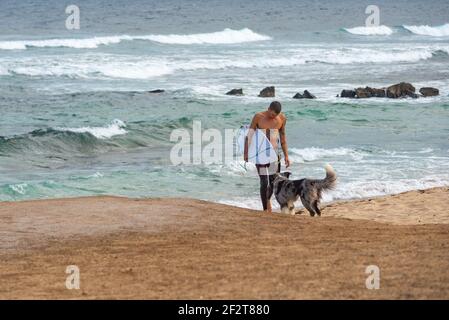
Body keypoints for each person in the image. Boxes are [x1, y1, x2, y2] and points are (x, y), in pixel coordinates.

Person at [244, 101, 290, 212]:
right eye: (272, 114)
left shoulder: (282, 119)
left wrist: (286, 156)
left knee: (274, 181)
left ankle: (268, 202)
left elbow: (283, 138)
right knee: (264, 182)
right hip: (260, 154)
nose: (273, 117)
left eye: (275, 115)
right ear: (268, 109)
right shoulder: (258, 117)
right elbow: (249, 135)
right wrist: (246, 153)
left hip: (274, 154)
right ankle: (265, 210)